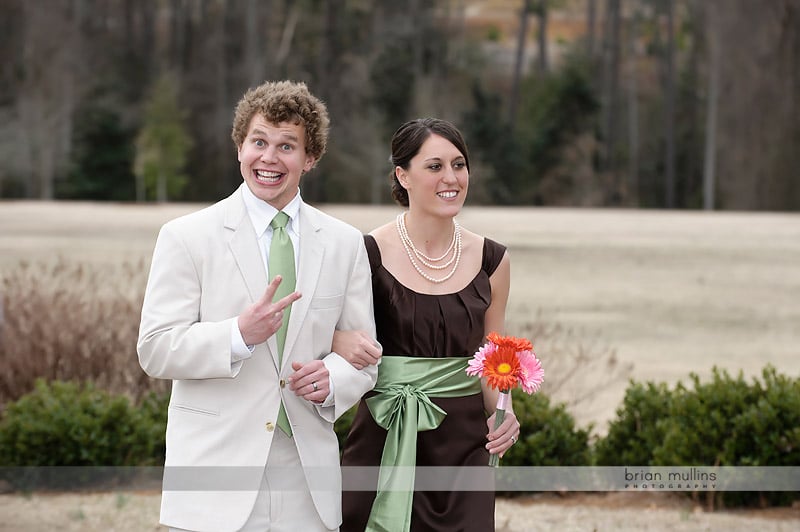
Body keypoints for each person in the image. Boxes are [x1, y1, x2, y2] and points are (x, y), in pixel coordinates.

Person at [137, 80, 381, 532]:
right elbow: (155, 349)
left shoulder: (346, 243)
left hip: (308, 482)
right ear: (240, 148)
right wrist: (237, 335)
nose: (269, 158)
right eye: (259, 142)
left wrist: (334, 378)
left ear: (310, 159)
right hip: (214, 475)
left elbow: (364, 360)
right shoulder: (186, 237)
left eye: (286, 145)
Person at [335, 117, 521, 531]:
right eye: (434, 166)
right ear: (403, 175)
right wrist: (338, 339)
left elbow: (492, 359)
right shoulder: (364, 253)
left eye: (459, 165)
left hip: (464, 447)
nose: (451, 178)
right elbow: (323, 335)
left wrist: (504, 411)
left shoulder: (494, 260)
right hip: (384, 433)